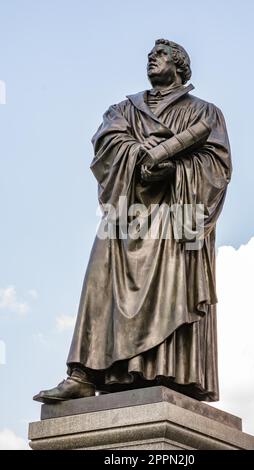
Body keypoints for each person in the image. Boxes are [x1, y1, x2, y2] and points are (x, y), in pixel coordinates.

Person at [33, 39, 232, 404]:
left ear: (180, 65)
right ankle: (83, 373)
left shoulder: (205, 113)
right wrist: (141, 155)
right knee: (99, 275)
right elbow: (107, 145)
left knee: (169, 281)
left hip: (175, 212)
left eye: (160, 55)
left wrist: (174, 168)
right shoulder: (123, 109)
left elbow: (216, 168)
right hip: (128, 210)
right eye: (150, 56)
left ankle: (163, 370)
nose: (152, 59)